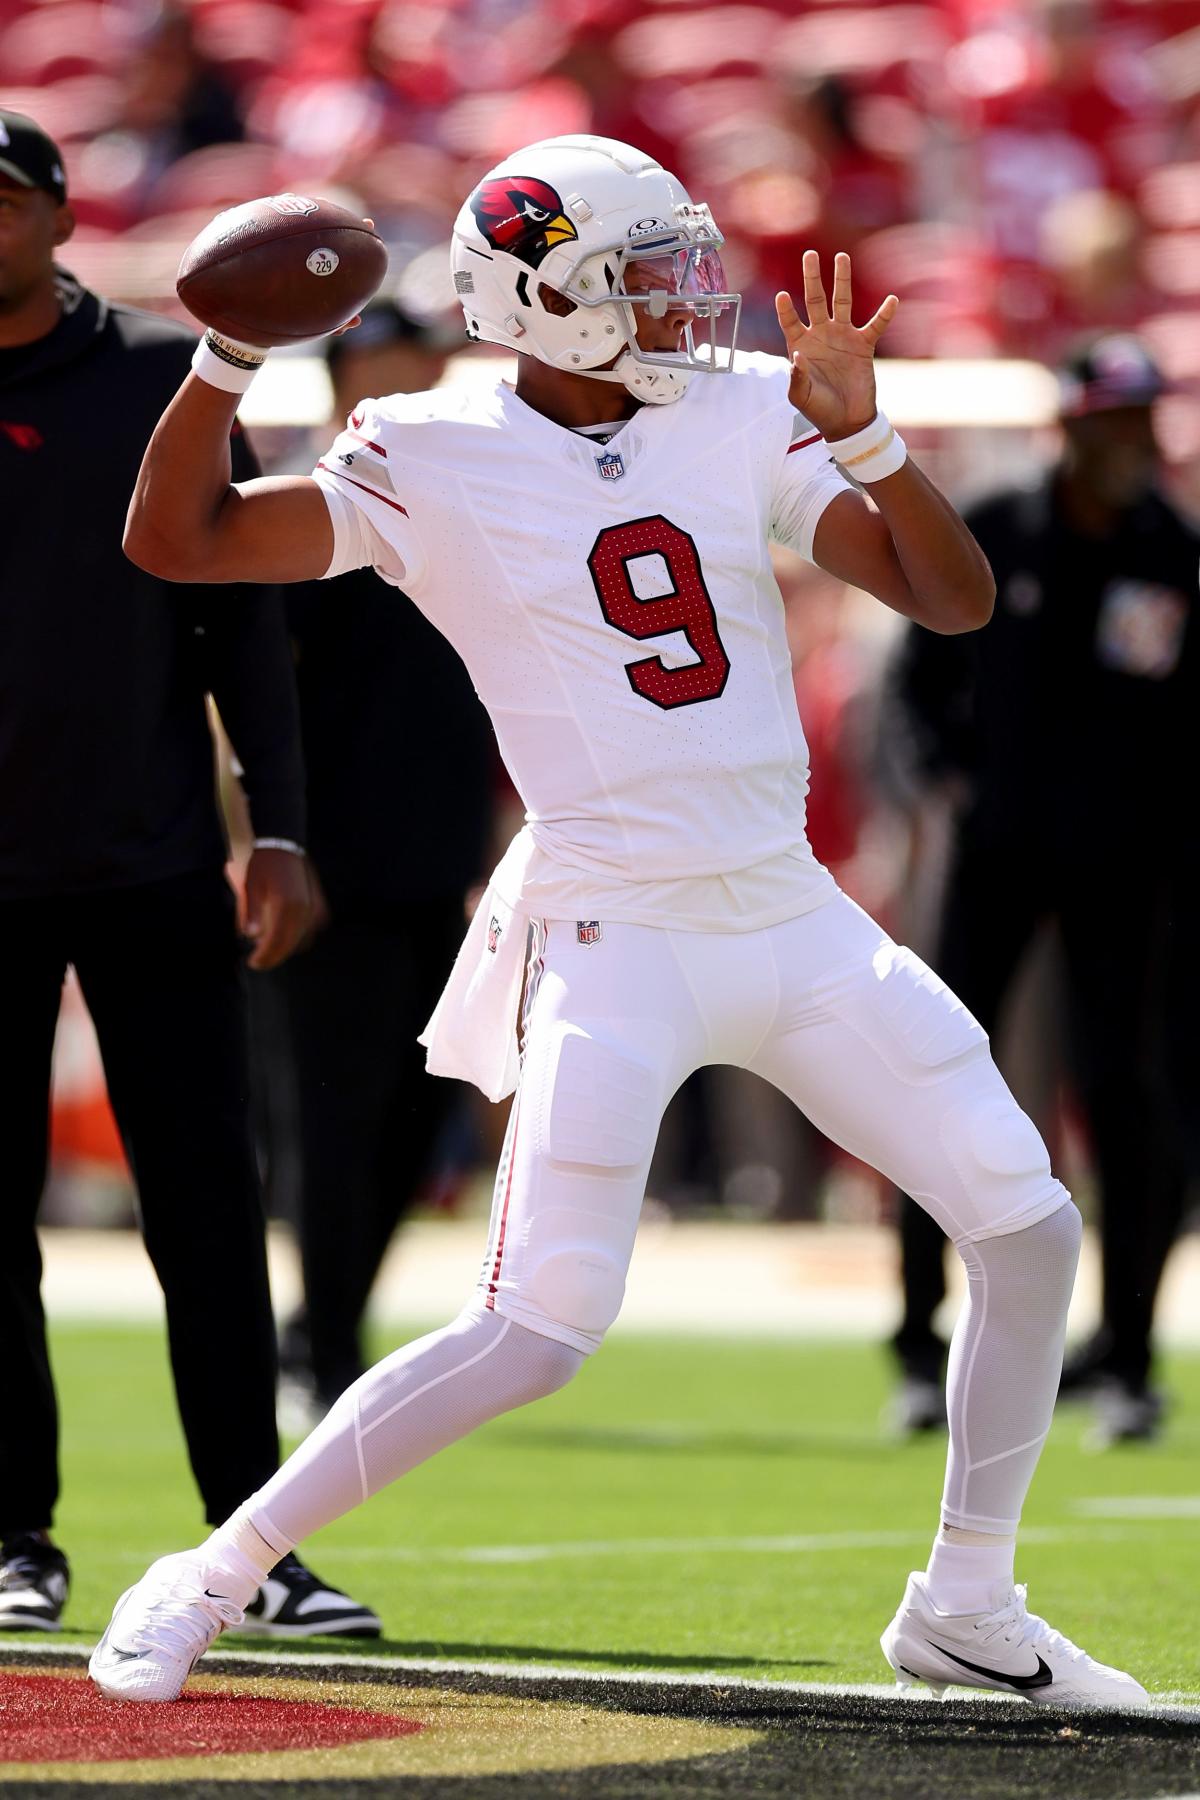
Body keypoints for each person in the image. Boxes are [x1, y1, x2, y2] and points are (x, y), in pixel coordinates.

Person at [90, 134, 1145, 1709]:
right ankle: (215, 1568)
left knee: (1028, 1221)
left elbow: (953, 596)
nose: (679, 294)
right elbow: (184, 542)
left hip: (787, 911)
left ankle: (967, 1603)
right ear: (539, 301)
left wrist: (866, 442)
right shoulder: (432, 446)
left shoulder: (730, 402)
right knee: (540, 1324)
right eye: (635, 273)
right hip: (612, 929)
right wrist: (227, 363)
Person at [0, 109, 378, 1639]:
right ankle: (15, 1536)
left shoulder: (163, 375)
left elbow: (244, 630)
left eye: (0, 200)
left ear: (56, 214)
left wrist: (273, 828)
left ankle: (253, 1545)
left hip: (151, 856)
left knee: (209, 1211)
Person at [885, 335, 1196, 1447]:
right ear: (1067, 426)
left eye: (1145, 419)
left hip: (1126, 871)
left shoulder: (1173, 551)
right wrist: (953, 782)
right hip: (995, 855)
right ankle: (920, 1346)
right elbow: (916, 679)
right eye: (1114, 419)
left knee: (1128, 1097)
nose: (1135, 440)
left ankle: (1124, 1357)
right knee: (937, 1078)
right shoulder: (1000, 526)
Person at [260, 301, 494, 1424]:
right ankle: (322, 1336)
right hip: (328, 870)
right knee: (330, 1119)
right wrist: (264, 842)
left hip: (442, 863)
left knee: (411, 1120)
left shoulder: (484, 511)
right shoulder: (308, 517)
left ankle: (332, 1323)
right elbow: (243, 704)